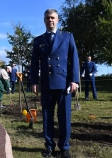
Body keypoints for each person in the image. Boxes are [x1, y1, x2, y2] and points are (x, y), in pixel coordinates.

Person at [31, 8, 79, 158]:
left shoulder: (67, 37)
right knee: (47, 116)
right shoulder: (38, 40)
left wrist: (74, 80)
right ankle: (49, 146)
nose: (50, 20)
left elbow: (74, 59)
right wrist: (34, 81)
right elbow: (34, 64)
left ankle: (64, 147)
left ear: (57, 20)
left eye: (52, 18)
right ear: (44, 21)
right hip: (46, 84)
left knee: (64, 117)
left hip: (64, 83)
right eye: (47, 18)